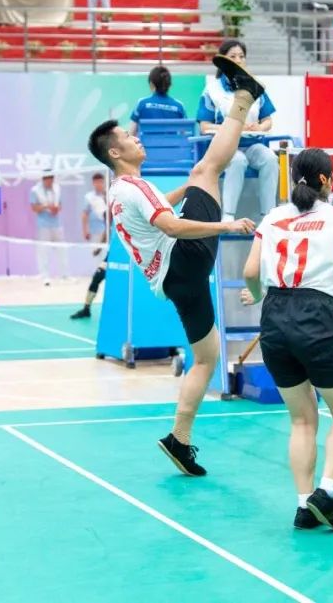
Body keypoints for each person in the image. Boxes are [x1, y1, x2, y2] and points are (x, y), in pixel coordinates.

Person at [86, 54, 262, 476]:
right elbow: (171, 225)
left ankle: (179, 439)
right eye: (128, 137)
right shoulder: (136, 186)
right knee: (209, 167)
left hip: (175, 282)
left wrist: (187, 189)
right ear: (116, 152)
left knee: (206, 357)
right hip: (185, 258)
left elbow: (159, 208)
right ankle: (246, 96)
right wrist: (226, 225)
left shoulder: (119, 191)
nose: (136, 138)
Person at [238, 147, 333, 531]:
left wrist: (256, 293)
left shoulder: (272, 218)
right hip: (317, 317)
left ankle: (304, 506)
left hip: (274, 318)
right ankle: (327, 492)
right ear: (325, 180)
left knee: (301, 421)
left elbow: (250, 271)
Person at [196, 39, 277, 223]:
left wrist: (260, 127)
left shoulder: (256, 86)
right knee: (238, 161)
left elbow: (268, 121)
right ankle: (228, 215)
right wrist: (233, 127)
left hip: (253, 145)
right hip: (225, 147)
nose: (238, 60)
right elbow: (205, 126)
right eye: (233, 56)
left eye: (241, 56)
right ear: (224, 60)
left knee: (271, 159)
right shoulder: (212, 90)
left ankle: (268, 216)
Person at [71, 173, 109, 320]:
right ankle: (86, 309)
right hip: (113, 252)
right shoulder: (107, 213)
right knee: (97, 276)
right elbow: (108, 230)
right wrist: (99, 247)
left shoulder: (119, 209)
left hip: (127, 253)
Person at [130, 65, 186, 135]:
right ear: (170, 85)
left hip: (147, 142)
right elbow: (184, 135)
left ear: (151, 84)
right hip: (171, 142)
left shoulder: (141, 104)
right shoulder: (179, 106)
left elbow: (132, 133)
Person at [30, 171, 64, 284]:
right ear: (43, 179)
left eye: (52, 179)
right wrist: (46, 207)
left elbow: (60, 205)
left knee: (62, 250)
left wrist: (56, 209)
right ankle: (44, 275)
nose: (50, 182)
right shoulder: (35, 190)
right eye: (48, 179)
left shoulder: (57, 188)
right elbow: (34, 208)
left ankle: (64, 275)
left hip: (56, 224)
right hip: (43, 225)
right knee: (43, 251)